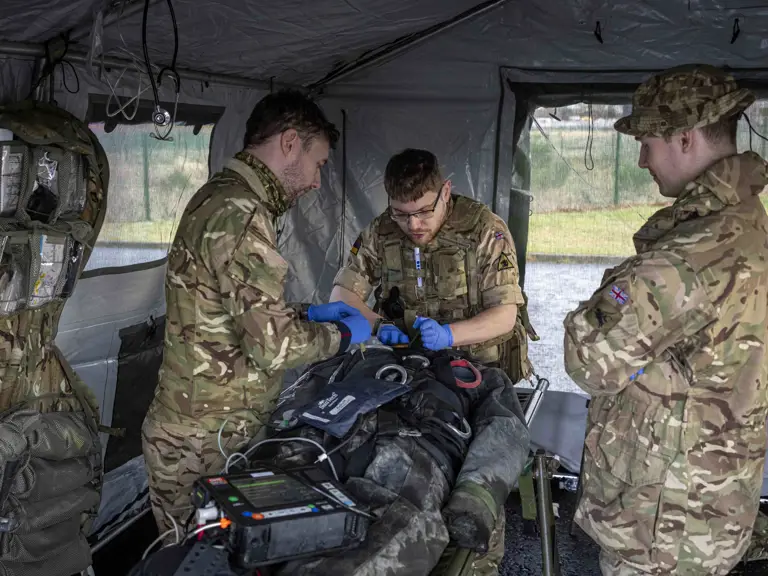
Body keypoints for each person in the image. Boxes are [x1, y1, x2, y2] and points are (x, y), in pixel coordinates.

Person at [563, 64, 768, 575]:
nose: (640, 160)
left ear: (684, 138)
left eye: (647, 143)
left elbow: (587, 358)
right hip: (712, 507)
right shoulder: (750, 222)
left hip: (662, 529)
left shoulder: (693, 252)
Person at [141, 90, 371, 536]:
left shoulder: (223, 197)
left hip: (202, 430)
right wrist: (342, 337)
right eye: (318, 163)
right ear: (289, 143)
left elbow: (233, 307)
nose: (316, 181)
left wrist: (313, 313)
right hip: (202, 444)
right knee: (199, 563)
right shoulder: (241, 213)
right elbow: (273, 345)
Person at [329, 148, 535, 574]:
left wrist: (450, 336)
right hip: (412, 369)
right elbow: (341, 294)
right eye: (403, 214)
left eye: (424, 211)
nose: (414, 225)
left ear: (446, 192)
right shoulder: (382, 231)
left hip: (477, 369)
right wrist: (376, 323)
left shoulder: (484, 231)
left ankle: (475, 552)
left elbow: (505, 314)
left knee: (482, 468)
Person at [257, 345, 530, 576]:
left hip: (412, 448)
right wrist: (281, 436)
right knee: (257, 518)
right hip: (324, 438)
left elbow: (506, 430)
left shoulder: (478, 375)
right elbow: (302, 392)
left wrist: (474, 496)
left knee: (398, 534)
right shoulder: (360, 354)